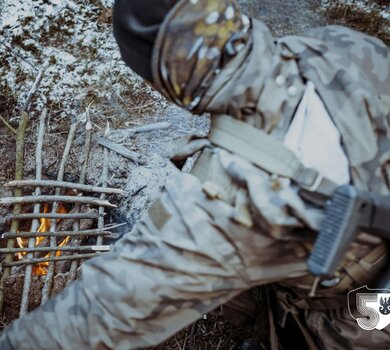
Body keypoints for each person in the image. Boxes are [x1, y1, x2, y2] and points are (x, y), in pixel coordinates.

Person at [1, 0, 389, 349]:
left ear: (169, 78)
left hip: (365, 314)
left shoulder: (229, 195)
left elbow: (105, 309)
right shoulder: (340, 45)